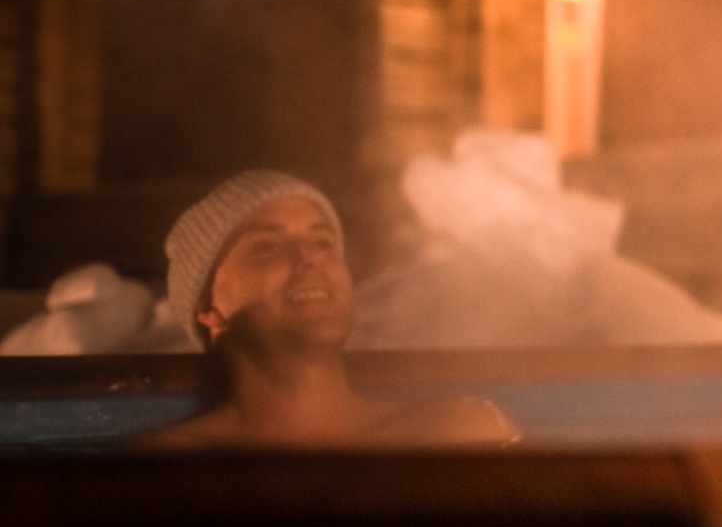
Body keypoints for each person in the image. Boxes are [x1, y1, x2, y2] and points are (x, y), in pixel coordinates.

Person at [136, 171, 520, 449]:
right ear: (209, 308)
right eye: (267, 247)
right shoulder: (170, 469)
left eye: (322, 242)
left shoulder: (459, 433)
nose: (309, 259)